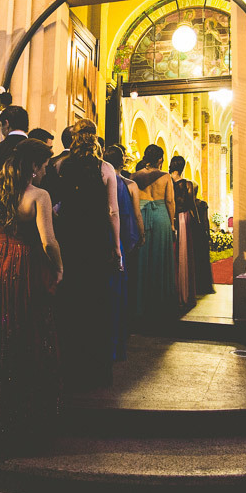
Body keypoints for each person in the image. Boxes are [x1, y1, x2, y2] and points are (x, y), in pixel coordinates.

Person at [0, 139, 63, 457]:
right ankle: (28, 424)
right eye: (44, 165)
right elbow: (49, 242)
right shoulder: (39, 196)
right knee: (28, 335)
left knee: (0, 338)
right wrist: (58, 268)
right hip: (26, 266)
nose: (46, 170)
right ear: (33, 167)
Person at [54, 119, 121, 390]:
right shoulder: (105, 168)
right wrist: (116, 247)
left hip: (70, 240)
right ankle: (96, 371)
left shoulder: (61, 166)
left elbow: (57, 205)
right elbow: (113, 211)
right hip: (96, 242)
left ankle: (70, 368)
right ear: (95, 138)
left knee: (70, 302)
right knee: (96, 303)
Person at [103, 145, 144, 362]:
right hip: (124, 237)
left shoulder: (101, 179)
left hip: (106, 236)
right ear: (123, 162)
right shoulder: (129, 185)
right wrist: (141, 233)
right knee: (123, 284)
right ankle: (122, 330)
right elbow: (134, 213)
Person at [132, 144, 177, 323]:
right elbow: (170, 201)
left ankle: (140, 303)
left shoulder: (134, 176)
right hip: (160, 216)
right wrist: (172, 225)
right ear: (160, 159)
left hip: (141, 214)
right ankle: (159, 304)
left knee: (141, 260)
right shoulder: (165, 177)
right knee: (160, 258)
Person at [170, 155, 198, 312]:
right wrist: (199, 223)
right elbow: (192, 204)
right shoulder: (186, 184)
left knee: (172, 254)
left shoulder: (166, 180)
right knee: (184, 255)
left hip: (169, 216)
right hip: (183, 218)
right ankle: (184, 293)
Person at [193, 184, 216, 295]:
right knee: (203, 260)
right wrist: (208, 236)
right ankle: (204, 285)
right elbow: (205, 221)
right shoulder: (202, 204)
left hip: (192, 234)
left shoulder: (189, 205)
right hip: (201, 235)